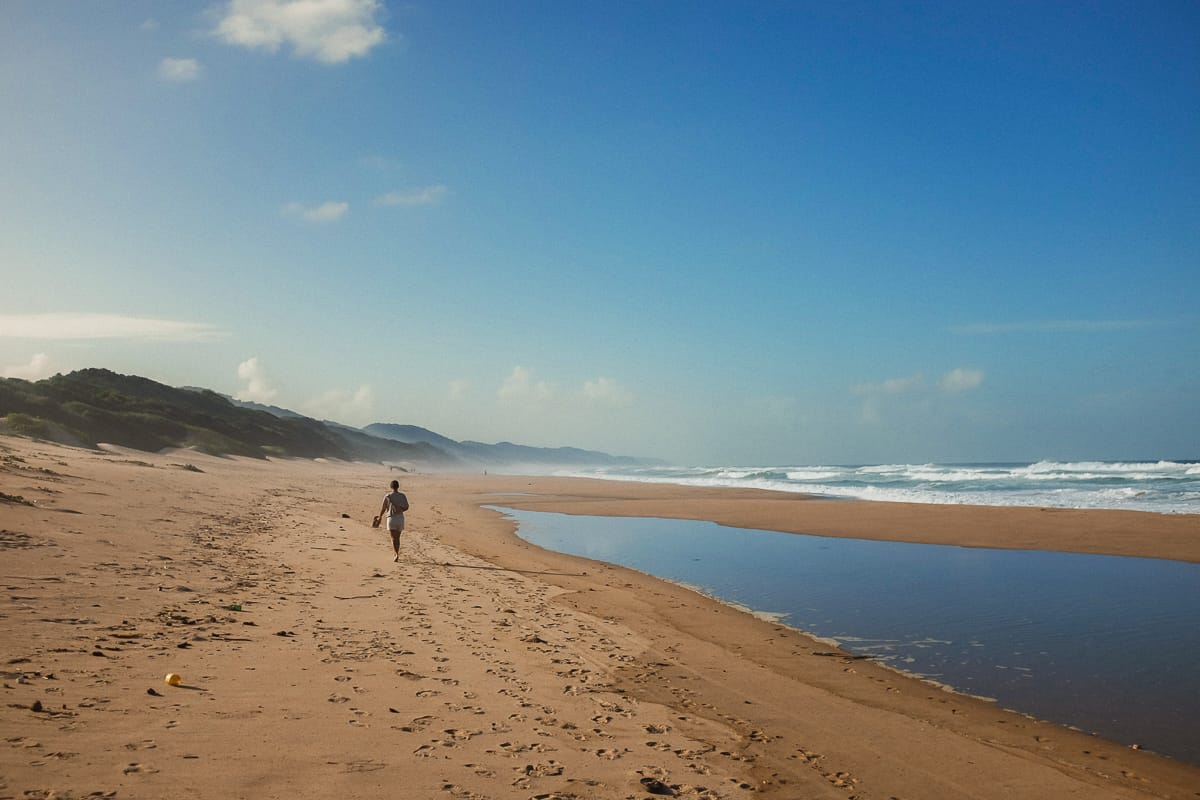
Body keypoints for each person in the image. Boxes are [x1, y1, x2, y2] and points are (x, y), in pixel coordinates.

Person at [376, 480, 410, 562]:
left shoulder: (388, 496)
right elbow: (406, 507)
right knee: (398, 538)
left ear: (391, 487)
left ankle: (396, 554)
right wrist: (399, 509)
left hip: (391, 518)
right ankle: (397, 553)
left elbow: (383, 508)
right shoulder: (402, 496)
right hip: (400, 518)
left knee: (393, 538)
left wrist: (380, 516)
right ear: (398, 486)